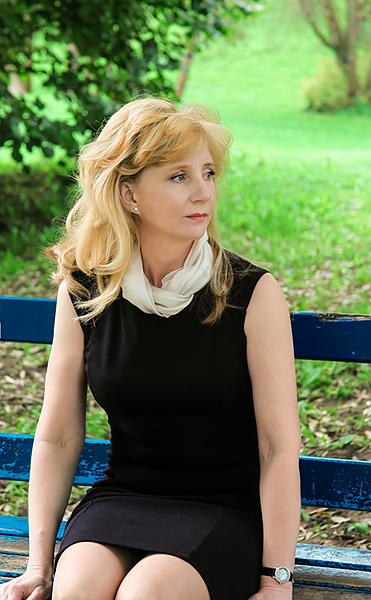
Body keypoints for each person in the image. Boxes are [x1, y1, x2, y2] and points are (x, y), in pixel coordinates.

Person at [0, 96, 301, 600]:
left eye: (208, 173)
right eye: (179, 176)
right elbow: (58, 437)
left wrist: (277, 579)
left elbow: (278, 448)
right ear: (129, 194)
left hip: (222, 507)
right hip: (123, 497)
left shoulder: (251, 293)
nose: (202, 191)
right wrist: (38, 566)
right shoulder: (86, 290)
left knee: (148, 592)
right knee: (77, 591)